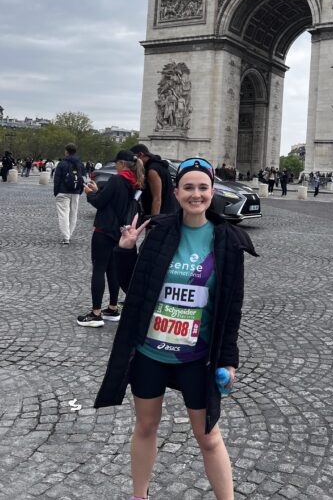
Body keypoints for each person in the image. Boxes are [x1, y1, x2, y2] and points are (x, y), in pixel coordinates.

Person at [94, 157, 257, 500]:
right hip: (151, 351)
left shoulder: (228, 240)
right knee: (145, 427)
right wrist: (125, 252)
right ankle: (140, 496)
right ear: (177, 191)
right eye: (188, 188)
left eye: (202, 188)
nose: (195, 194)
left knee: (209, 437)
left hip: (196, 357)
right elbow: (135, 289)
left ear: (213, 192)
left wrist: (228, 359)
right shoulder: (160, 231)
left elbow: (231, 307)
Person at [78, 150, 144, 328]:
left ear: (122, 163)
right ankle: (113, 308)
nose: (115, 165)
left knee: (99, 269)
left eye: (116, 163)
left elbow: (100, 202)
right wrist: (98, 190)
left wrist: (89, 193)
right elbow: (116, 200)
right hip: (120, 231)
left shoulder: (116, 180)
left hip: (104, 229)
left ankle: (96, 313)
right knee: (113, 269)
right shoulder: (135, 183)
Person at [130, 143, 176, 219]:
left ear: (140, 154)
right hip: (167, 213)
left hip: (160, 217)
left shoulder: (152, 170)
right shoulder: (159, 165)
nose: (133, 163)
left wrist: (153, 221)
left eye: (134, 159)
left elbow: (157, 199)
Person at [53, 143, 84, 245]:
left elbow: (57, 179)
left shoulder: (62, 163)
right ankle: (69, 234)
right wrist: (80, 190)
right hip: (76, 191)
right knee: (73, 214)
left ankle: (66, 237)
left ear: (66, 151)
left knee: (63, 214)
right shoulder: (80, 163)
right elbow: (82, 177)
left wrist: (56, 192)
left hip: (63, 191)